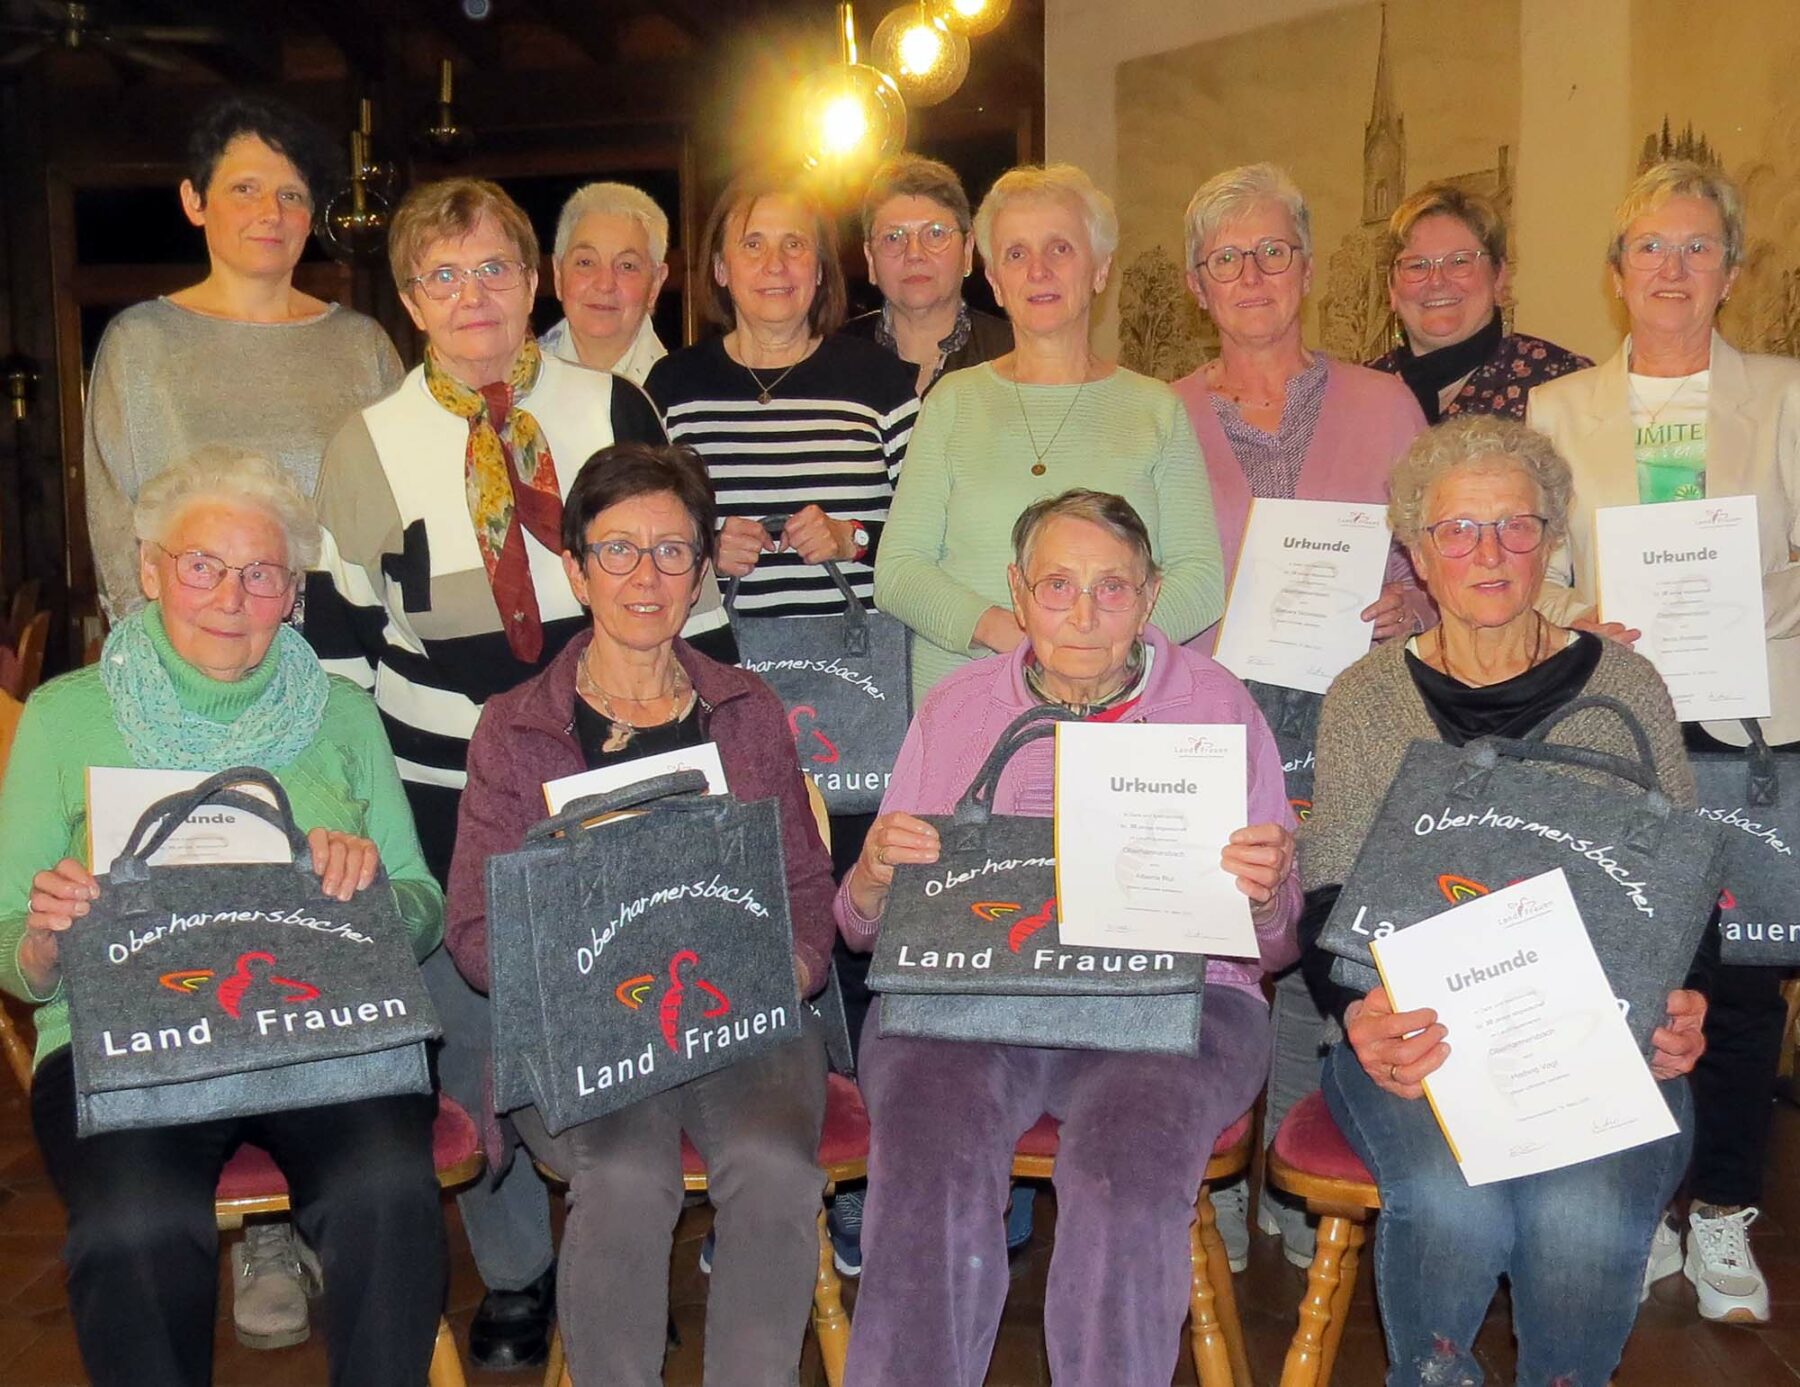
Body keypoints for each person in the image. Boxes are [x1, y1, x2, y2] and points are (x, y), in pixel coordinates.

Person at [302, 176, 722, 1370]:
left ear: (532, 282)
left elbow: (689, 588)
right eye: (443, 276)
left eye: (493, 268)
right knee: (477, 1032)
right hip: (443, 783)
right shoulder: (368, 441)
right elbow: (340, 655)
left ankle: (617, 1257)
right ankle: (517, 1271)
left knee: (619, 1006)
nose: (472, 295)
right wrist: (353, 808)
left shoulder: (614, 403)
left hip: (613, 763)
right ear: (409, 300)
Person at [0, 450, 445, 1385]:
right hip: (125, 1040)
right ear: (150, 569)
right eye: (202, 565)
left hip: (325, 1027)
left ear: (294, 595)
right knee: (133, 1223)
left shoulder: (344, 714)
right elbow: (9, 941)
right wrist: (43, 940)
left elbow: (422, 907)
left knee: (385, 1191)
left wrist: (370, 890)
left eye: (262, 573)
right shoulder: (63, 716)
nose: (230, 597)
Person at [838, 488, 1296, 1386]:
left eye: (1112, 588)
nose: (1084, 613)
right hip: (975, 1000)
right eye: (1057, 586)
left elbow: (1271, 952)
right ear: (1017, 591)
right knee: (928, 1149)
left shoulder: (1216, 704)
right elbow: (859, 932)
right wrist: (872, 877)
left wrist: (1269, 894)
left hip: (1176, 1003)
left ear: (1151, 596)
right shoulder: (958, 706)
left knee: (1126, 1169)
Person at [1299, 416, 1709, 1386]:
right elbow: (1328, 896)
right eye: (1458, 530)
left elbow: (1686, 888)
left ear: (1551, 539)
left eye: (1516, 526)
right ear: (1417, 552)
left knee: (1581, 1211)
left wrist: (1688, 1000)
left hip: (1597, 1040)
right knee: (1452, 1198)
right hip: (1418, 1037)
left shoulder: (1628, 687)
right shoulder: (1366, 696)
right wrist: (1359, 1013)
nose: (1489, 553)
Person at [446, 441, 835, 1385]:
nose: (646, 576)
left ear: (701, 573)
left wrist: (791, 967)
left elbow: (804, 883)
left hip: (740, 1015)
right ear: (577, 571)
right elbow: (473, 931)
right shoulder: (514, 726)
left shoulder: (746, 707)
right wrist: (573, 977)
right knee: (624, 1177)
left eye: (672, 551)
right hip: (587, 1029)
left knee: (774, 1166)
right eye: (618, 550)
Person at [1528, 159, 1800, 1325]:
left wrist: (1748, 610)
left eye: (1698, 247)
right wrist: (1575, 616)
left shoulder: (1785, 392)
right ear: (1618, 271)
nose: (1673, 269)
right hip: (1615, 721)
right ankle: (1635, 1204)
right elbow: (1537, 569)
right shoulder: (1559, 409)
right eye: (1651, 246)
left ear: (1731, 271)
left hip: (1753, 726)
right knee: (1617, 971)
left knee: (1739, 983)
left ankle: (1726, 1210)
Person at [1170, 162, 1427, 1267]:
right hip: (1212, 710)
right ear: (1197, 283)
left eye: (1273, 250)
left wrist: (1414, 598)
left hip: (1356, 711)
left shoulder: (1385, 403)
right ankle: (1216, 1172)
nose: (1253, 274)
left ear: (1309, 269)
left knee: (1326, 930)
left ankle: (1296, 1174)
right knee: (1226, 940)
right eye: (1227, 257)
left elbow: (1432, 546)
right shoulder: (1162, 413)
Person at [876, 162, 1226, 706]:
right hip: (971, 708)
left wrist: (1098, 655)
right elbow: (899, 572)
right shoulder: (951, 403)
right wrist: (1015, 637)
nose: (1038, 270)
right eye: (1016, 254)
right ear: (995, 281)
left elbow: (1201, 580)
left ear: (1100, 270)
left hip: (1118, 711)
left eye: (1060, 248)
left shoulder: (1156, 410)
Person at [85, 93, 403, 625]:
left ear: (311, 217)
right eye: (245, 189)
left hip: (344, 644)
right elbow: (114, 521)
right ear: (194, 201)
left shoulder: (361, 346)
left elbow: (397, 510)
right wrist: (148, 650)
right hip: (189, 644)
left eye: (291, 195)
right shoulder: (139, 343)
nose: (270, 213)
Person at [1367, 182, 1590, 422]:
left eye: (1459, 262)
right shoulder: (1354, 394)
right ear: (1391, 288)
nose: (1436, 281)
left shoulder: (1563, 384)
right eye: (1417, 265)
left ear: (1499, 276)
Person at [842, 154, 1013, 396]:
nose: (914, 254)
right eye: (893, 237)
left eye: (935, 234)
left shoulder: (1015, 354)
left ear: (967, 251)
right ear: (870, 259)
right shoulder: (835, 359)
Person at [539, 180, 671, 385]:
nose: (605, 284)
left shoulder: (684, 394)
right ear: (558, 274)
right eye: (586, 262)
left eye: (627, 266)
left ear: (655, 284)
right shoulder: (513, 386)